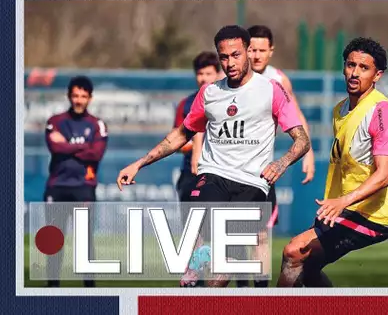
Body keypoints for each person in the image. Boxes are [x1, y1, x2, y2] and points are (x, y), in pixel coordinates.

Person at [116, 25, 311, 288]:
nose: (230, 62)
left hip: (253, 184)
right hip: (214, 176)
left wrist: (282, 162)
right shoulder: (210, 93)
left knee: (227, 262)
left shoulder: (272, 90)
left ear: (247, 52)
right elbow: (180, 134)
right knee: (207, 230)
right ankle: (199, 263)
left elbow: (302, 139)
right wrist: (139, 163)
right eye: (224, 57)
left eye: (236, 55)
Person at [276, 37, 388, 287]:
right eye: (350, 65)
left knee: (294, 253)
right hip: (346, 209)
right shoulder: (341, 110)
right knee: (309, 266)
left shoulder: (381, 112)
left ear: (378, 75)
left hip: (373, 213)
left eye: (363, 68)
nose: (354, 73)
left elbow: (384, 175)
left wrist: (342, 201)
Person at [244, 24, 316, 288]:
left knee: (261, 235)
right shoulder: (231, 76)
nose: (257, 55)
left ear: (271, 51)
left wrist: (308, 154)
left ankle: (261, 292)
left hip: (262, 171)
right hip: (230, 169)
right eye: (252, 49)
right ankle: (241, 288)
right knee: (234, 235)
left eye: (262, 49)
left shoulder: (278, 80)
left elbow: (294, 118)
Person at [43, 76, 109, 287]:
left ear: (90, 98)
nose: (78, 100)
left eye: (83, 96)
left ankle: (89, 288)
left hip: (83, 188)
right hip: (57, 187)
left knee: (85, 241)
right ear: (69, 96)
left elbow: (96, 154)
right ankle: (52, 287)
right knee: (54, 240)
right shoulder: (55, 121)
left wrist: (68, 146)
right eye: (75, 96)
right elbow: (55, 148)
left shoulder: (97, 124)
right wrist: (82, 148)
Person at [173, 52, 222, 221]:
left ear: (218, 73)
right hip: (191, 173)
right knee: (192, 229)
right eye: (200, 74)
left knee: (222, 228)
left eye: (208, 74)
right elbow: (177, 141)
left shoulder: (228, 100)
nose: (204, 78)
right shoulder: (186, 104)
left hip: (222, 173)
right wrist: (196, 147)